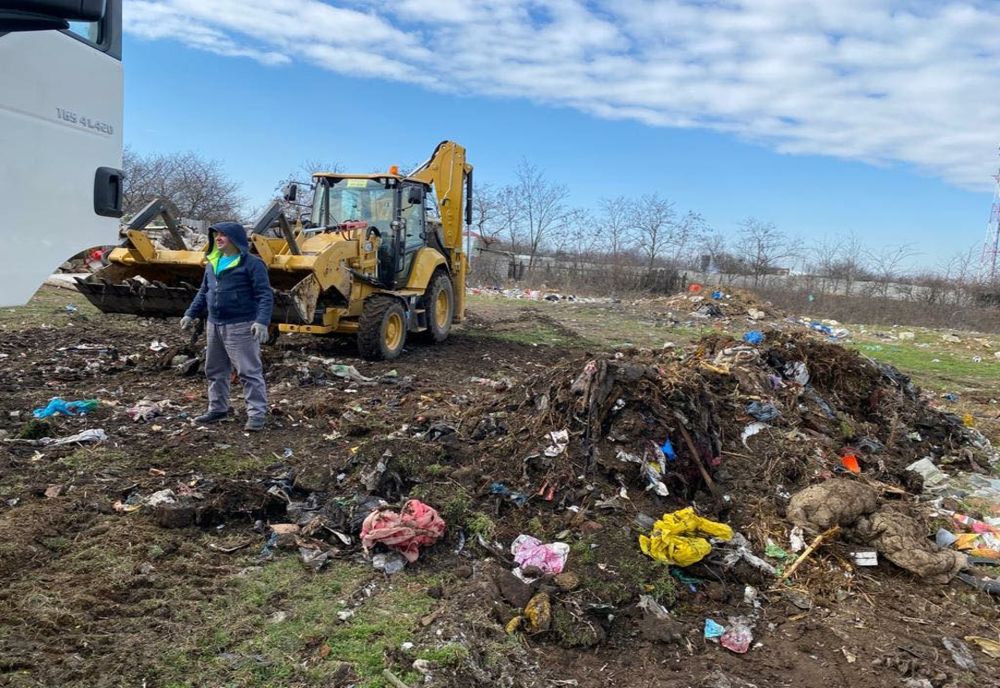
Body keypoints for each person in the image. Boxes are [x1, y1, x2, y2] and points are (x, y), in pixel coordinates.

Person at [180, 222, 273, 431]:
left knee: (249, 371)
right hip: (214, 325)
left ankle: (257, 415)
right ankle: (218, 409)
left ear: (236, 239)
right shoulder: (213, 262)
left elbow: (265, 294)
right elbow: (204, 292)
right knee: (214, 369)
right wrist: (190, 313)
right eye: (216, 236)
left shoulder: (252, 264)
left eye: (223, 235)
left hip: (241, 325)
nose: (218, 239)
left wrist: (261, 321)